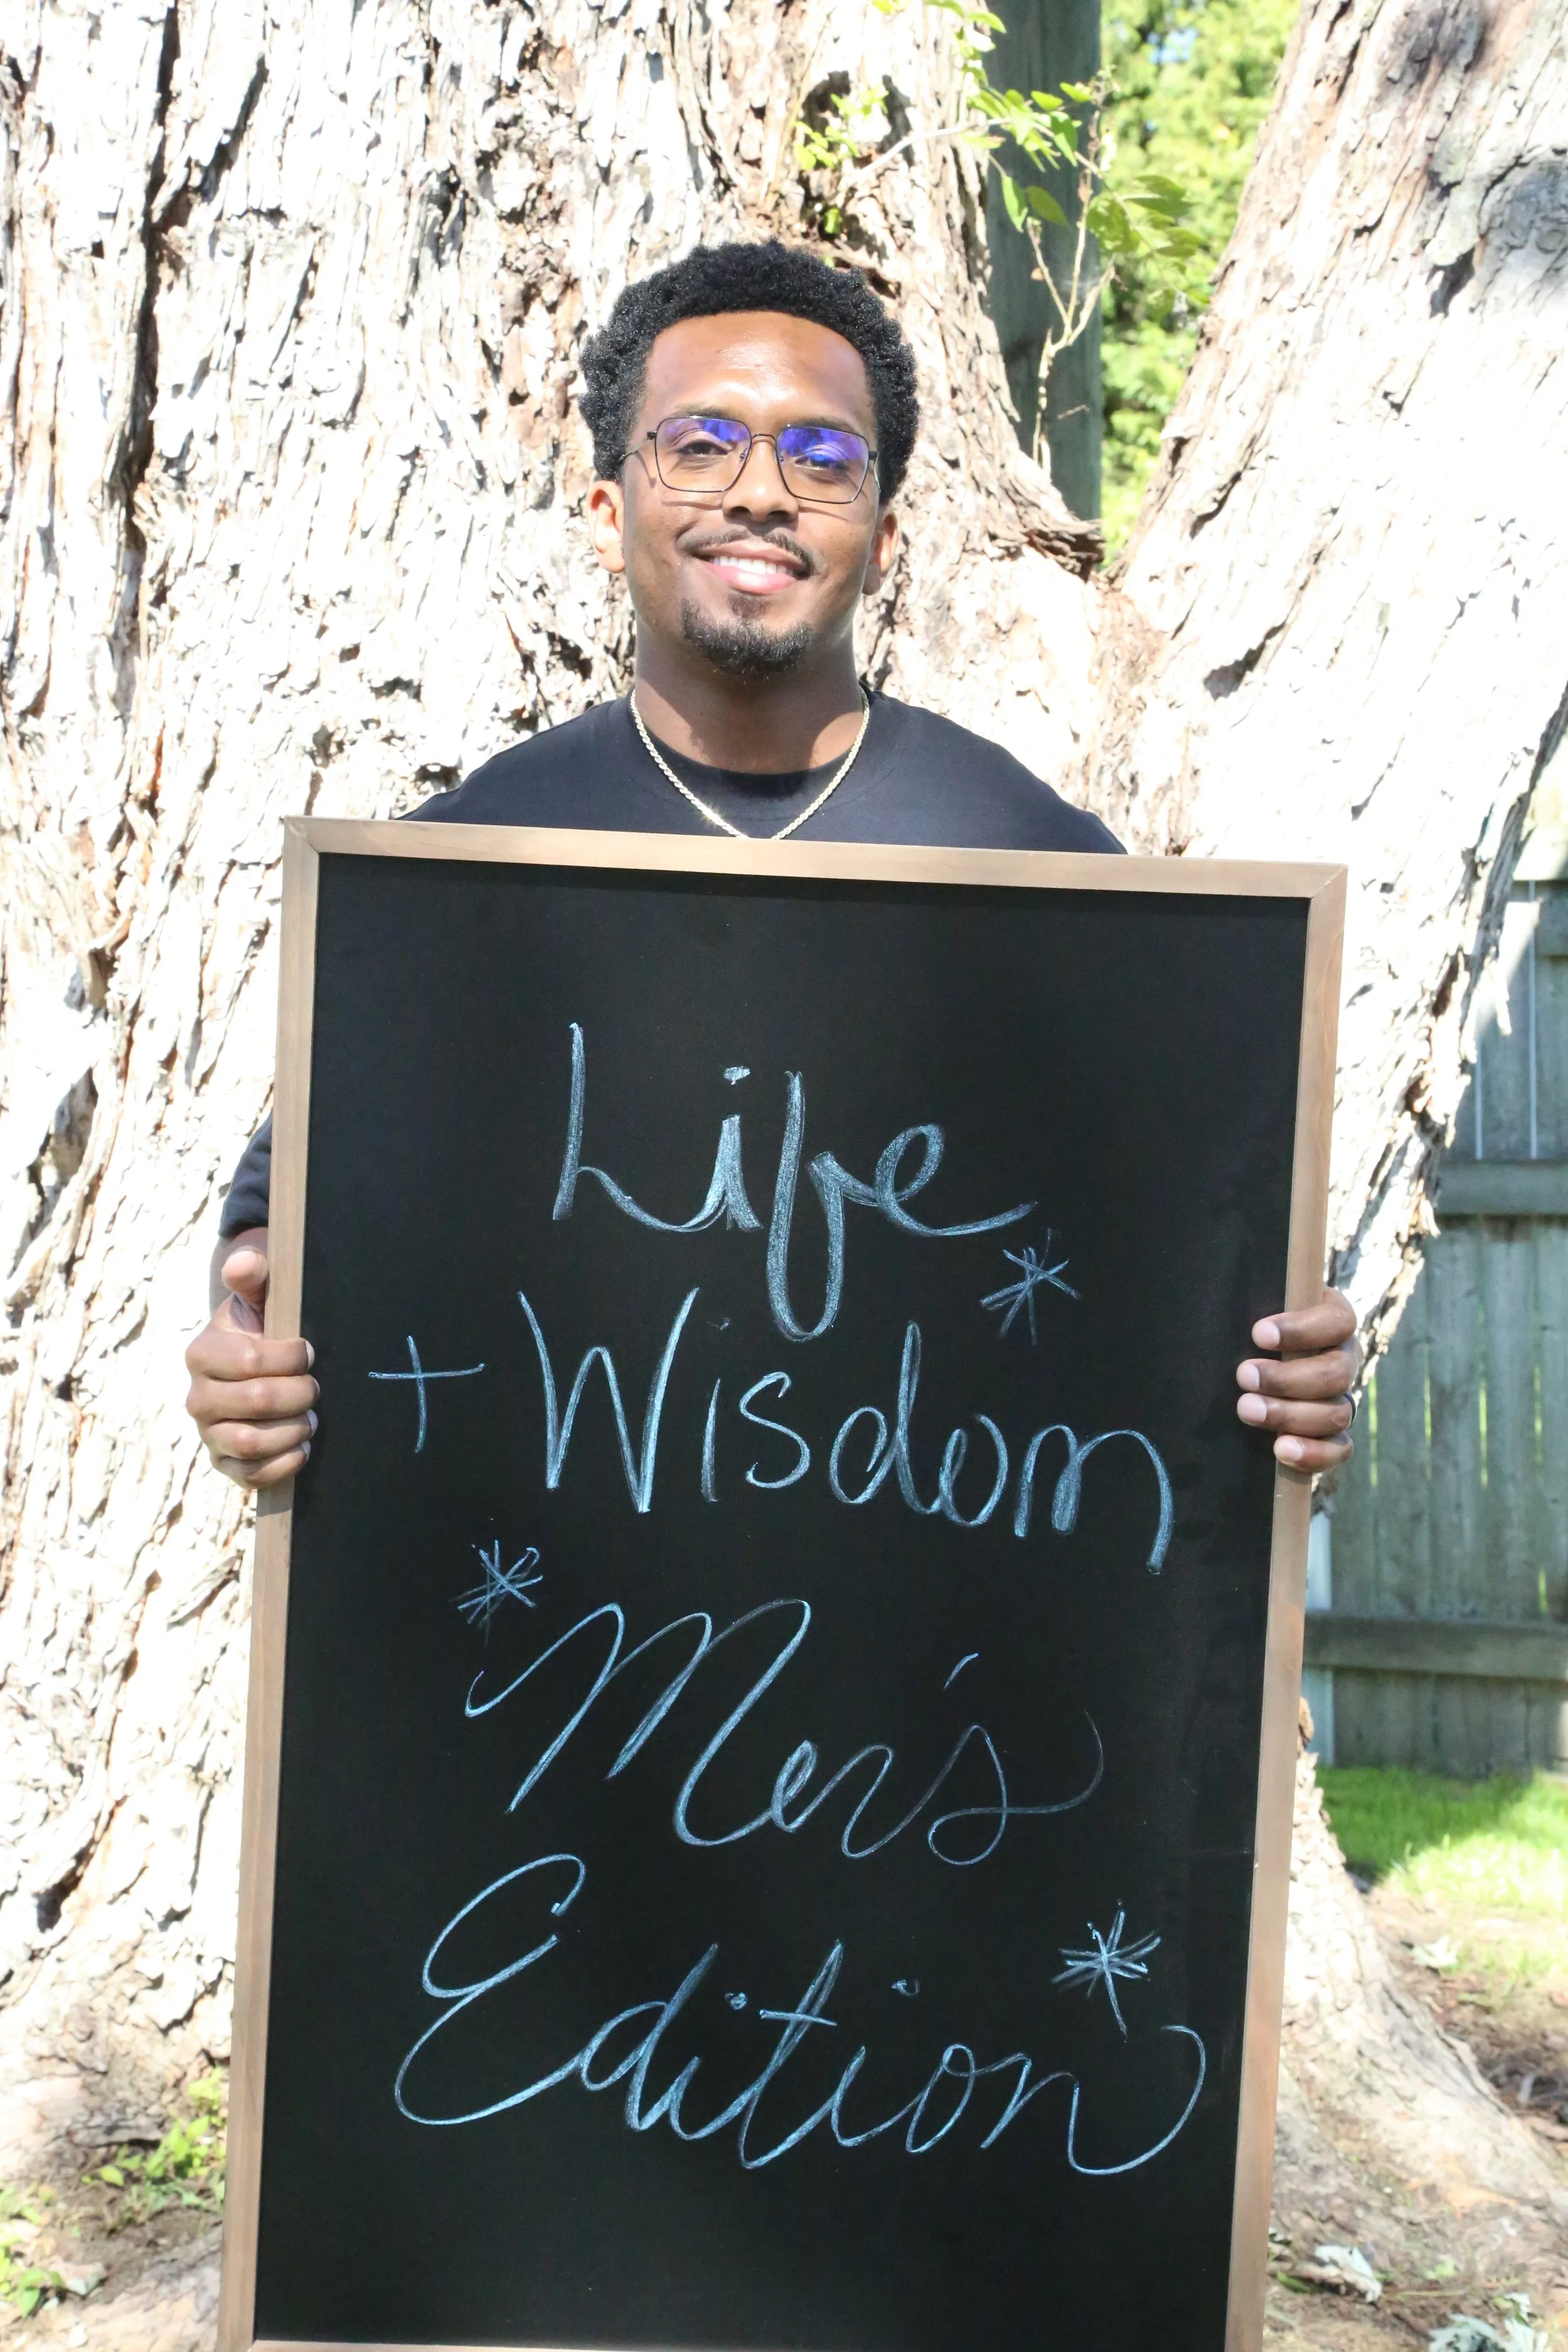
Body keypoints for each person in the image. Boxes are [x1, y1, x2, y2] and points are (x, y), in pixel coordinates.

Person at [184, 239, 1358, 1487]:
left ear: (883, 533)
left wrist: (1294, 1377)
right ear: (608, 510)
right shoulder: (455, 879)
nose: (760, 492)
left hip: (946, 1650)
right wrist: (240, 1348)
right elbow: (277, 1240)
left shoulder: (1032, 866)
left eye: (822, 456)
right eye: (700, 444)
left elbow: (1198, 1247)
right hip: (527, 1664)